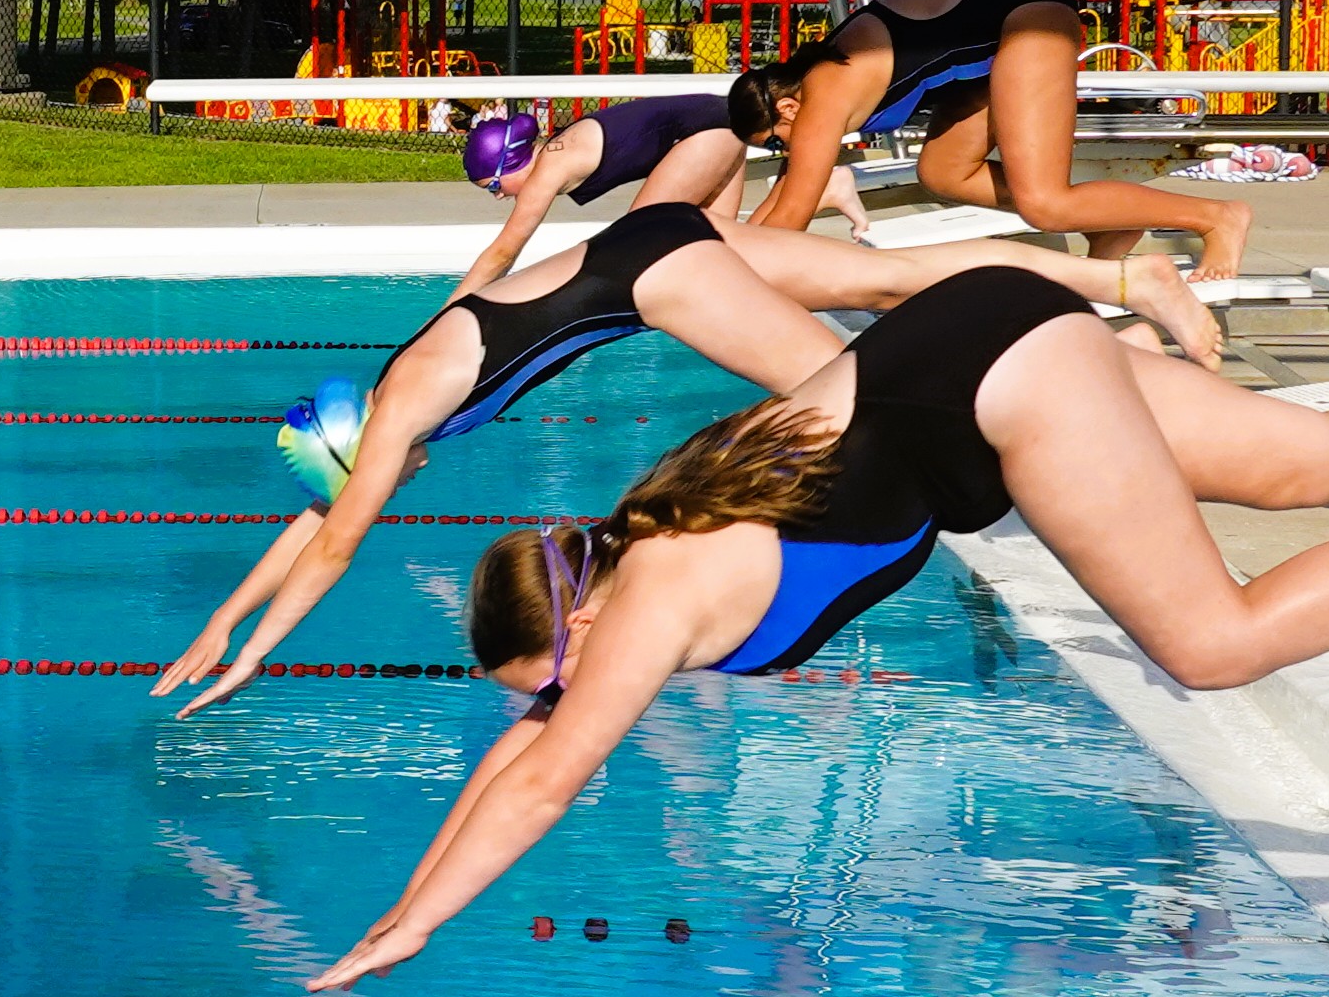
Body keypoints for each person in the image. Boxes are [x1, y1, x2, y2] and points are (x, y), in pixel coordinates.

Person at [304, 273, 1329, 988]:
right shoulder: (641, 542)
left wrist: (412, 925)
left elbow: (548, 778)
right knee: (1291, 461)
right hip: (971, 339)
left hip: (989, 398)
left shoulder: (667, 589)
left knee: (1210, 643)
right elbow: (532, 750)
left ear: (577, 628)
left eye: (540, 683)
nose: (540, 709)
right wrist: (404, 887)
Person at [164, 201, 1229, 714]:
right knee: (889, 284)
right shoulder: (402, 397)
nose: (385, 494)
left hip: (658, 281)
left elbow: (335, 550)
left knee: (902, 368)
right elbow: (317, 528)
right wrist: (222, 620)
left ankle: (1124, 328)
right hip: (649, 244)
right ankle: (1125, 308)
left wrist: (257, 654)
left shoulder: (402, 417)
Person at [728, 0, 1253, 281]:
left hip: (1025, 14)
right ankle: (1109, 227)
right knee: (942, 171)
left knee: (1045, 204)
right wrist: (729, 252)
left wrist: (732, 281)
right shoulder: (815, 81)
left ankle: (1216, 217)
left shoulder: (823, 88)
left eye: (775, 140)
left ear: (786, 107)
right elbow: (784, 198)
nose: (782, 150)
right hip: (987, 39)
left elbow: (793, 215)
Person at [455, 90, 748, 293]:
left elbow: (503, 253)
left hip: (710, 131)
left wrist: (441, 322)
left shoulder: (548, 169)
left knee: (632, 248)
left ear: (512, 161)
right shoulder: (558, 151)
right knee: (723, 255)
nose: (498, 195)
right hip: (725, 122)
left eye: (494, 185)